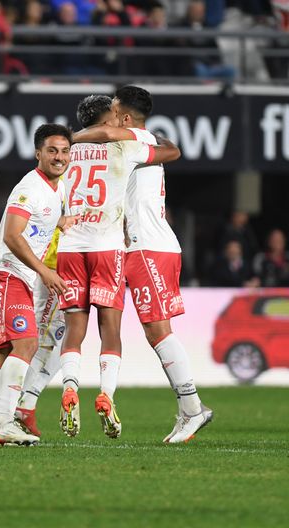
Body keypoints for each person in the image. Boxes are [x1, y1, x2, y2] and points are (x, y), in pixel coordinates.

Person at [71, 85, 213, 444]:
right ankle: (189, 409)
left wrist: (65, 139)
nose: (110, 117)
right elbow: (170, 148)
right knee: (150, 331)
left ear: (127, 118)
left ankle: (193, 409)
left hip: (147, 246)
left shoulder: (130, 135)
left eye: (115, 110)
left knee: (158, 331)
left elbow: (103, 132)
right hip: (133, 247)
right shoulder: (146, 140)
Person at [56, 94, 181, 439]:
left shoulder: (64, 152)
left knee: (74, 329)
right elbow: (169, 153)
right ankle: (106, 394)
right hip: (107, 246)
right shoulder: (125, 146)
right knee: (110, 329)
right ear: (108, 118)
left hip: (69, 247)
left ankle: (69, 386)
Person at [0, 124, 76, 446]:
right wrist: (45, 272)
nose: (59, 157)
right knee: (27, 345)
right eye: (52, 150)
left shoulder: (57, 187)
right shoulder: (30, 188)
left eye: (64, 151)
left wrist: (62, 222)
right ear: (39, 153)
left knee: (6, 353)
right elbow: (11, 235)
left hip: (15, 277)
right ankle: (5, 422)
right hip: (8, 274)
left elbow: (43, 223)